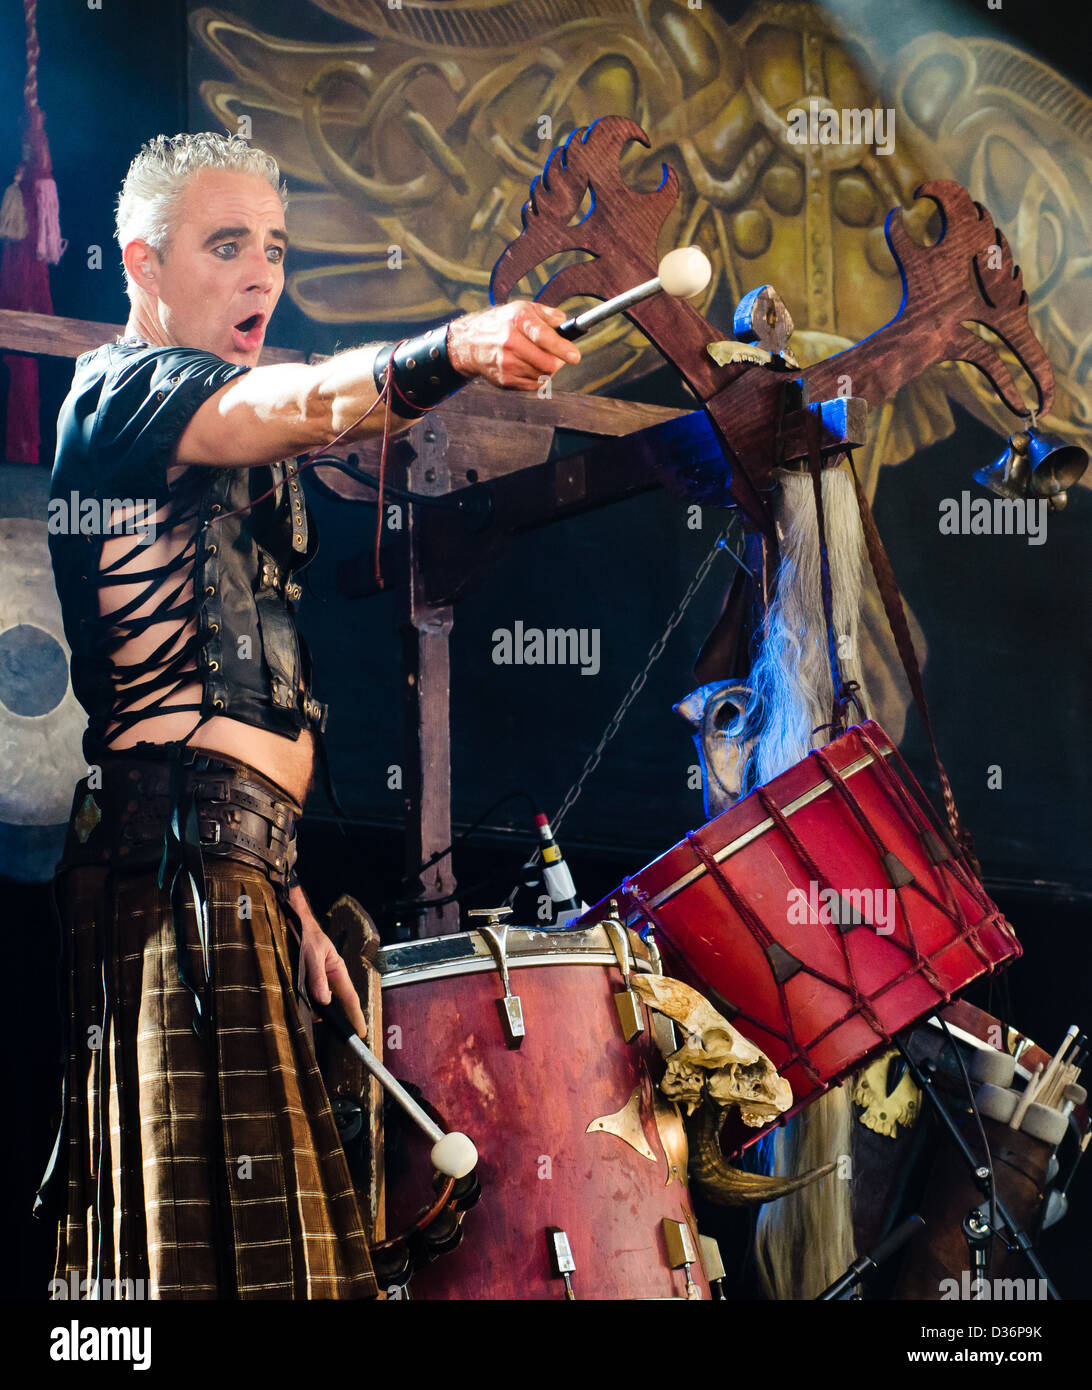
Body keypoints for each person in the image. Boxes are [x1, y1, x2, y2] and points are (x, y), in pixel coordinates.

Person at [36, 131, 580, 1300]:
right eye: (226, 246)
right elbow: (316, 395)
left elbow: (223, 695)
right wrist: (456, 348)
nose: (260, 276)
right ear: (142, 263)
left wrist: (280, 890)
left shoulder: (215, 426)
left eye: (274, 250)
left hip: (234, 868)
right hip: (172, 883)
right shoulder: (121, 394)